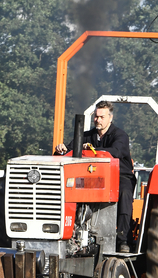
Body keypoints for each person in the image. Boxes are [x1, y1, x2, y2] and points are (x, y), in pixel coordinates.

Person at [55, 101, 136, 253]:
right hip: (93, 176)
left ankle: (124, 239)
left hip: (119, 176)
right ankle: (72, 234)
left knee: (125, 193)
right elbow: (70, 152)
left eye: (101, 117)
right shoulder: (86, 136)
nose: (98, 120)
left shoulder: (121, 136)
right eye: (96, 117)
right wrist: (62, 150)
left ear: (110, 118)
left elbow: (115, 152)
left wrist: (91, 149)